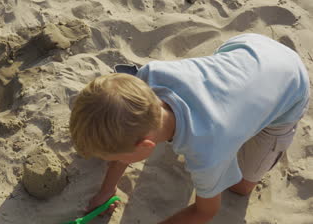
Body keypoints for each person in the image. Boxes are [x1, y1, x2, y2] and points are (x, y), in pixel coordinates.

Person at [69, 33, 310, 223]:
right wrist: (107, 189)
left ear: (146, 146)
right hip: (249, 47)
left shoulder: (208, 150)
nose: (111, 162)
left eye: (112, 158)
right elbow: (124, 136)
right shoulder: (148, 77)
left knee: (239, 186)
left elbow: (204, 212)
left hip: (290, 87)